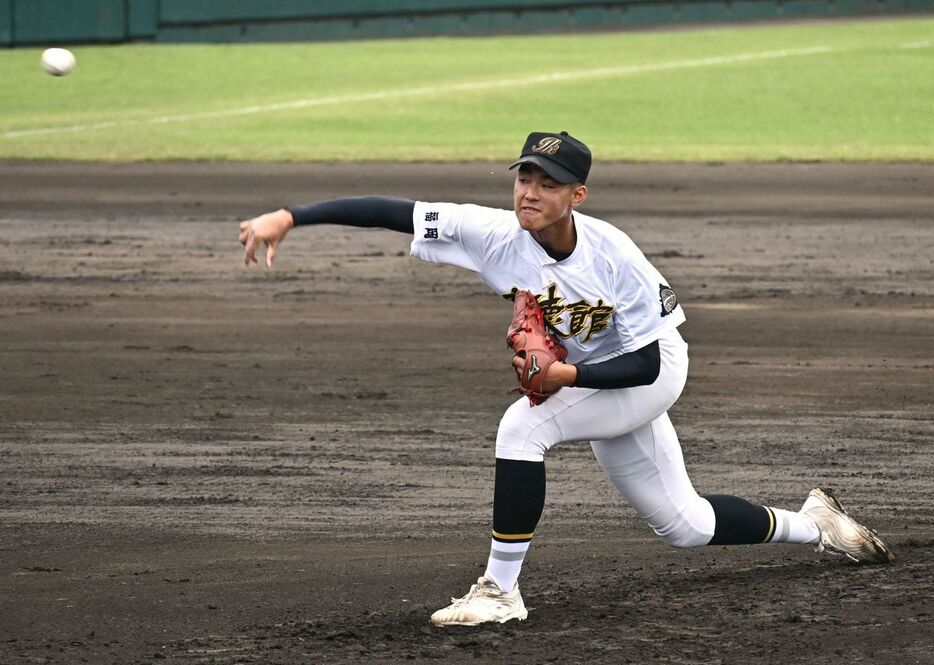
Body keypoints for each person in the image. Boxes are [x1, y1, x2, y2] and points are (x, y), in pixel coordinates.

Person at [239, 131, 893, 627]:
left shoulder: (617, 258)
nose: (529, 190)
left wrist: (562, 372)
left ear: (576, 195)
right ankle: (818, 524)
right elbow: (395, 212)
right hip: (595, 377)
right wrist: (291, 216)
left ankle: (500, 591)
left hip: (652, 372)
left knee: (523, 426)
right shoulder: (494, 234)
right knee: (684, 523)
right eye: (524, 175)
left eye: (547, 182)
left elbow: (645, 362)